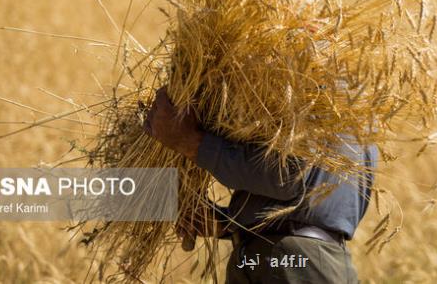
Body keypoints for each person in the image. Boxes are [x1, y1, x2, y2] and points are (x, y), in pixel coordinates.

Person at [144, 85, 377, 284]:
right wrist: (228, 223)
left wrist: (191, 143)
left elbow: (287, 177)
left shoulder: (313, 87)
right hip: (268, 257)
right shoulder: (352, 99)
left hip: (294, 262)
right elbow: (308, 196)